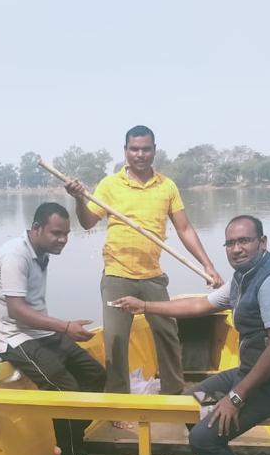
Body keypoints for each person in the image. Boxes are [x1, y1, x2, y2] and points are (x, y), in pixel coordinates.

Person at [112, 215, 270, 455]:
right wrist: (144, 305)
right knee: (192, 402)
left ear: (262, 242)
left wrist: (235, 397)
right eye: (230, 243)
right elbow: (200, 304)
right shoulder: (243, 277)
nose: (236, 249)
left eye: (244, 241)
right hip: (249, 372)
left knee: (203, 439)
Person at [64, 125, 224, 404]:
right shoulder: (109, 185)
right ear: (125, 151)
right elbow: (88, 222)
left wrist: (208, 265)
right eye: (134, 149)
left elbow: (185, 229)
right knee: (115, 341)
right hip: (117, 274)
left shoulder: (167, 186)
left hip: (152, 275)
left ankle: (174, 394)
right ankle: (118, 403)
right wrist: (79, 198)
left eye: (146, 149)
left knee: (167, 332)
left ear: (154, 151)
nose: (140, 154)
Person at [0, 201, 116, 455]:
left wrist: (61, 329)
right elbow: (17, 311)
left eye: (66, 234)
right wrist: (66, 327)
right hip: (14, 338)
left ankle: (67, 446)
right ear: (36, 229)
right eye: (56, 233)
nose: (63, 240)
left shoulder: (39, 253)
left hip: (40, 332)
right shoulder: (14, 256)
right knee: (66, 390)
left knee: (95, 375)